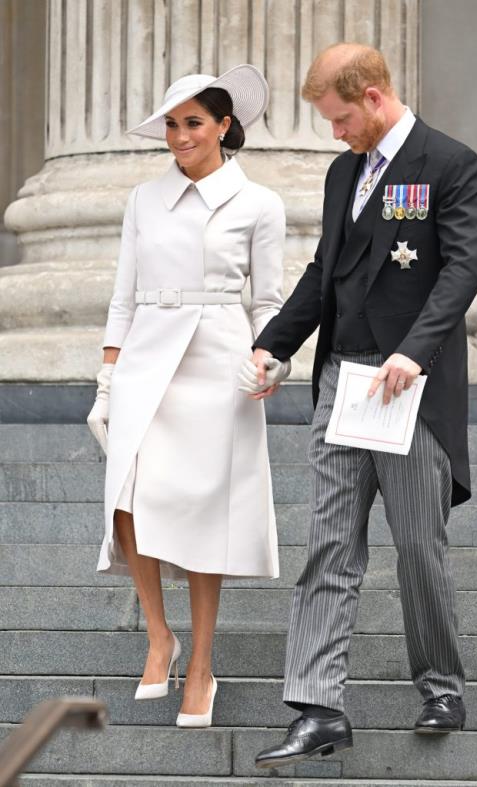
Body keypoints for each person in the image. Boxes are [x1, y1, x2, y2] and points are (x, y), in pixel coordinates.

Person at [247, 43, 477, 767]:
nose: (335, 132)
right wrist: (275, 344)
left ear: (376, 96)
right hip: (342, 385)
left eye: (342, 117)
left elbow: (462, 269)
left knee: (418, 546)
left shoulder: (449, 164)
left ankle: (442, 686)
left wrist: (413, 351)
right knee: (329, 544)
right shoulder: (342, 172)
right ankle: (319, 705)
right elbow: (326, 270)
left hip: (409, 388)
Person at [86, 65, 290, 729]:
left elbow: (269, 300)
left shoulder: (259, 203)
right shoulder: (143, 199)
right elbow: (123, 293)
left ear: (225, 125)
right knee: (125, 496)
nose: (179, 136)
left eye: (193, 122)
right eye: (172, 124)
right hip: (147, 355)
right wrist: (107, 378)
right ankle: (159, 635)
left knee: (206, 516)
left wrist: (270, 360)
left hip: (220, 363)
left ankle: (201, 663)